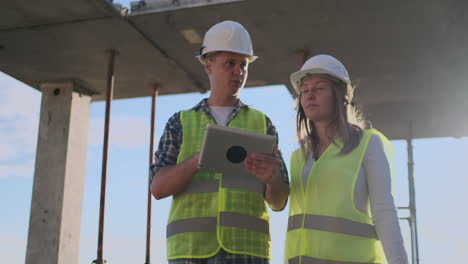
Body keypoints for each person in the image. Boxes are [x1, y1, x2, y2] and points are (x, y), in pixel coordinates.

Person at [150, 20, 290, 264]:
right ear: (208, 66)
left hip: (248, 252)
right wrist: (197, 160)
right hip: (190, 252)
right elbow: (158, 188)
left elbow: (279, 202)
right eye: (230, 64)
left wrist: (273, 178)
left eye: (243, 65)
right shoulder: (180, 122)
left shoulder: (263, 124)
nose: (239, 72)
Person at [285, 54, 408, 264]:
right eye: (304, 90)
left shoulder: (368, 145)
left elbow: (384, 213)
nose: (310, 95)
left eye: (319, 88)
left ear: (340, 94)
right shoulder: (298, 157)